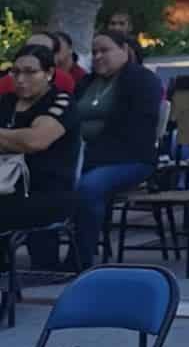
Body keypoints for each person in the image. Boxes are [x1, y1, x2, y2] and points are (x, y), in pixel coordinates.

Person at [71, 32, 163, 267]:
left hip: (129, 158)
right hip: (81, 156)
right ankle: (45, 258)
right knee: (42, 179)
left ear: (124, 50)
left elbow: (137, 127)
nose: (98, 56)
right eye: (94, 52)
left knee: (89, 186)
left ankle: (81, 258)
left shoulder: (142, 81)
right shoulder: (86, 83)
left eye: (105, 50)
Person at [0, 42, 82, 268]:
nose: (20, 79)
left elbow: (36, 141)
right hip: (6, 188)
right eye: (15, 72)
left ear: (48, 73)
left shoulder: (60, 101)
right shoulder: (5, 103)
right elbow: (25, 140)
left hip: (47, 193)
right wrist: (16, 140)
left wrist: (16, 141)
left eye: (30, 72)